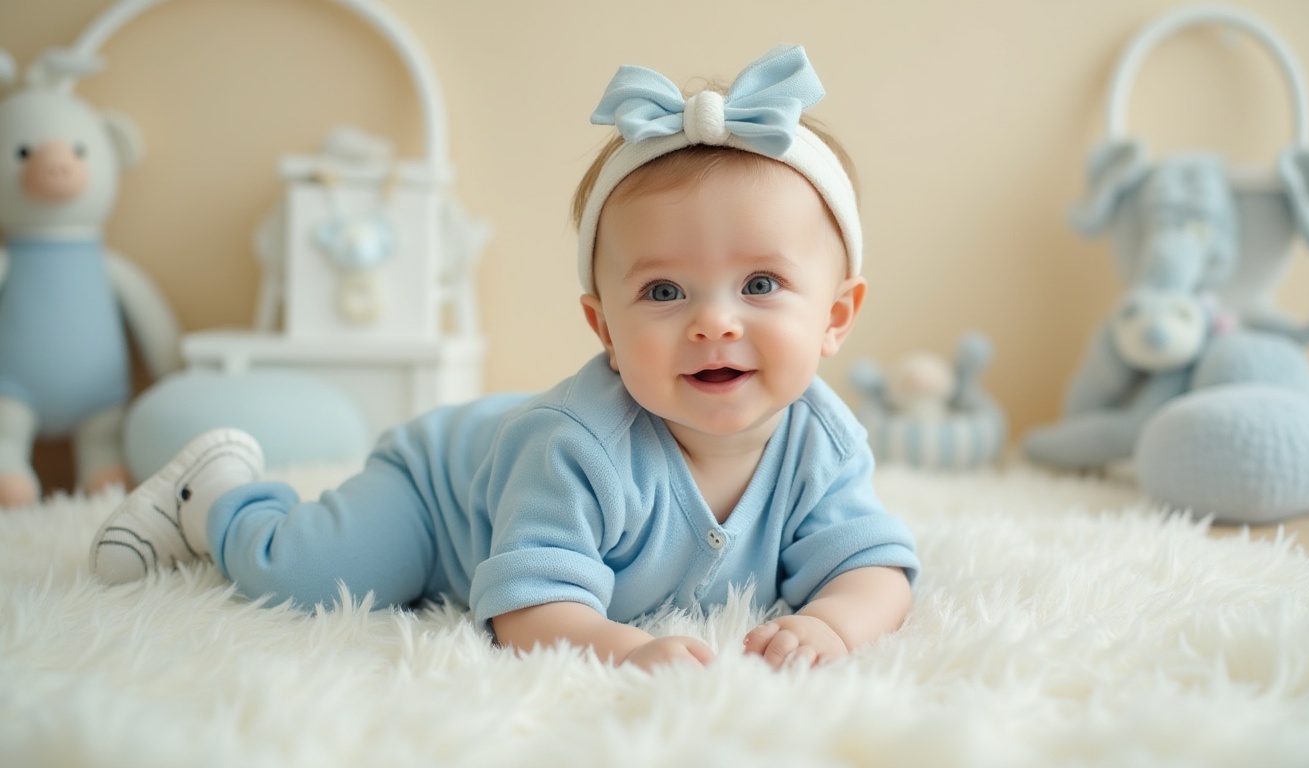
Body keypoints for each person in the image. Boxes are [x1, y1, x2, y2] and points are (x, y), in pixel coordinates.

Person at [89, 44, 919, 671]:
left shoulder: (824, 440)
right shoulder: (578, 446)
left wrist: (833, 622)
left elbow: (875, 565)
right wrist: (618, 649)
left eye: (762, 283)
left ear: (837, 316)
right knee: (304, 577)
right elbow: (529, 611)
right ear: (603, 328)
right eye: (664, 292)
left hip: (480, 461)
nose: (713, 323)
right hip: (437, 492)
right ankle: (218, 500)